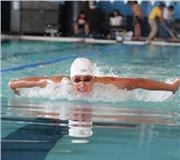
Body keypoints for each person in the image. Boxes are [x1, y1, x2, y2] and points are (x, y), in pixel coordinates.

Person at [9, 57, 180, 96]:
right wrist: (14, 85)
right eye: (77, 80)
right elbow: (37, 80)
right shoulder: (60, 84)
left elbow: (138, 82)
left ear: (94, 78)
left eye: (87, 79)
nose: (82, 84)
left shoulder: (107, 84)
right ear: (71, 78)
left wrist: (171, 87)